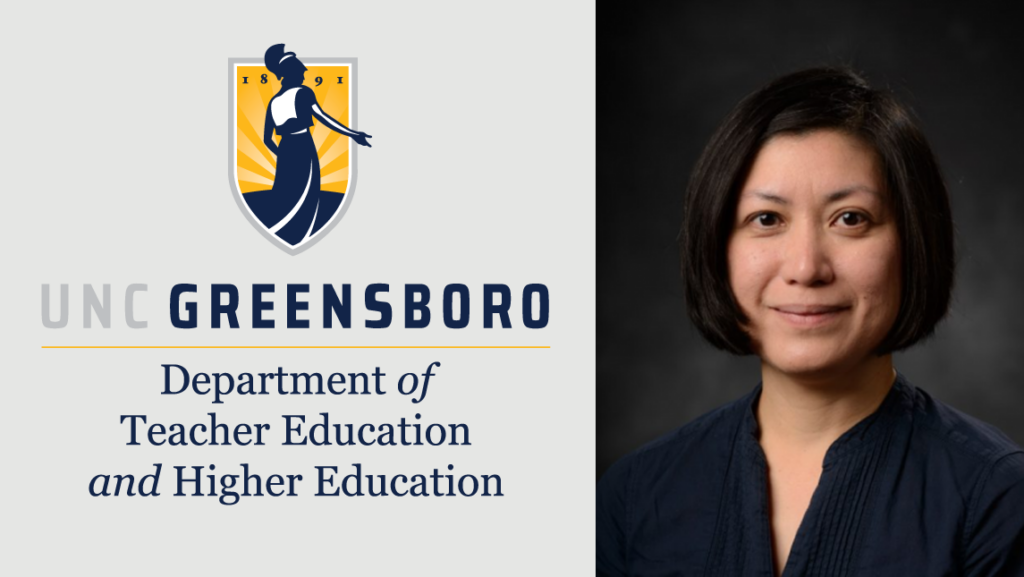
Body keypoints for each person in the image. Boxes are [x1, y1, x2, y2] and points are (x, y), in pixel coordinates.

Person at [596, 68, 1024, 576]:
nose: (805, 268)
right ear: (717, 248)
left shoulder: (997, 498)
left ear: (913, 243)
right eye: (767, 220)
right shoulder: (636, 495)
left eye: (850, 218)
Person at [247, 44, 372, 247]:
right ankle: (300, 232)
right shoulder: (303, 92)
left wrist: (283, 155)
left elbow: (267, 139)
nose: (305, 71)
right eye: (301, 67)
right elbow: (324, 118)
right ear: (291, 72)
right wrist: (354, 134)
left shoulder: (273, 101)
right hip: (303, 145)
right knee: (306, 193)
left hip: (285, 150)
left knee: (285, 192)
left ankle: (282, 229)